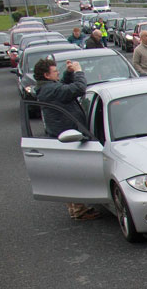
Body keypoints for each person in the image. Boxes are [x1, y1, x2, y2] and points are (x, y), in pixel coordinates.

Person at [34, 58, 99, 220]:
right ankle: (79, 210)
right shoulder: (50, 90)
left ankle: (76, 208)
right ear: (46, 75)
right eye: (55, 71)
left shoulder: (48, 88)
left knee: (69, 173)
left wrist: (68, 74)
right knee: (74, 174)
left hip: (62, 134)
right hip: (67, 136)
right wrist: (78, 71)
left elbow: (62, 85)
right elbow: (78, 88)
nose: (57, 73)